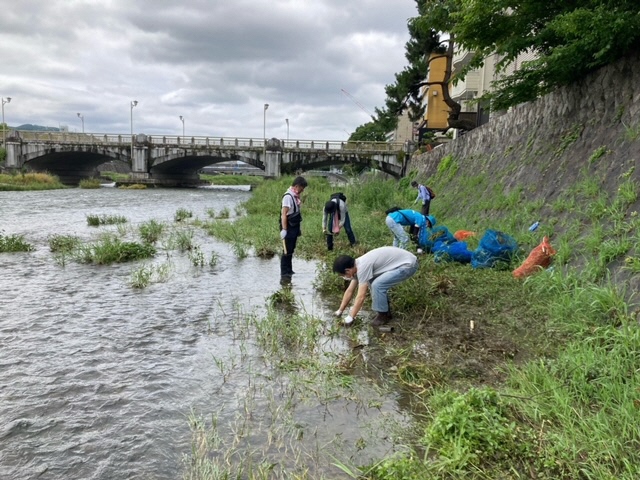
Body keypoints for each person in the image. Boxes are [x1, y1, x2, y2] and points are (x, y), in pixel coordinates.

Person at [332, 246, 419, 327]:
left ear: (348, 271)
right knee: (373, 282)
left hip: (408, 265)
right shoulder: (356, 266)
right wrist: (340, 311)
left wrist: (350, 317)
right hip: (403, 262)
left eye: (343, 275)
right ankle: (386, 312)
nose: (344, 277)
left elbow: (361, 296)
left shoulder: (362, 267)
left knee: (377, 285)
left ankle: (383, 315)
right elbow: (350, 290)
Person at [280, 176, 308, 277]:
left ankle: (289, 270)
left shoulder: (295, 196)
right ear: (297, 186)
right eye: (302, 188)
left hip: (294, 226)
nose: (302, 190)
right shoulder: (288, 196)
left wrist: (298, 229)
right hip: (288, 226)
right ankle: (284, 273)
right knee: (286, 250)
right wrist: (284, 229)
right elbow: (284, 214)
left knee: (291, 249)